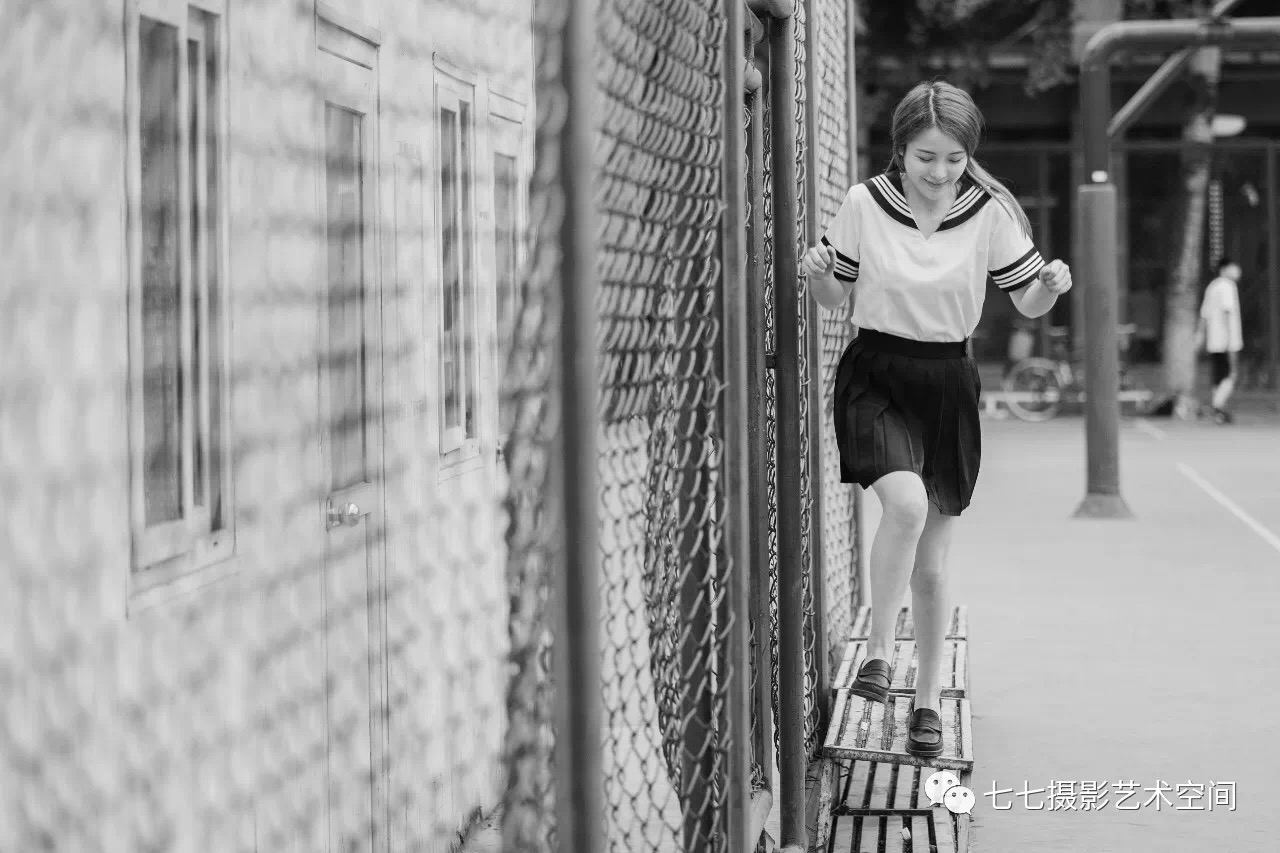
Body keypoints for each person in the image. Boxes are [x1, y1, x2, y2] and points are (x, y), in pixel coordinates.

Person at [802, 80, 1072, 758]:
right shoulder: (865, 203)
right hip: (876, 375)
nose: (940, 171)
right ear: (900, 150)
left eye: (955, 158)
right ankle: (879, 653)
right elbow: (834, 297)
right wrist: (817, 273)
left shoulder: (987, 211)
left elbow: (1028, 301)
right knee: (906, 505)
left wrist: (1049, 287)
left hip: (948, 381)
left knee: (932, 563)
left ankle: (925, 699)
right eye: (926, 157)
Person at [1197, 258, 1244, 424]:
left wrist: (1200, 335)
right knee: (1231, 375)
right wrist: (1230, 340)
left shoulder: (1212, 286)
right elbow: (1227, 311)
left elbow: (1204, 315)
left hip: (1214, 340)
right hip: (1227, 341)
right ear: (1225, 269)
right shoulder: (1227, 286)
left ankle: (1219, 411)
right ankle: (1216, 405)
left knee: (1218, 377)